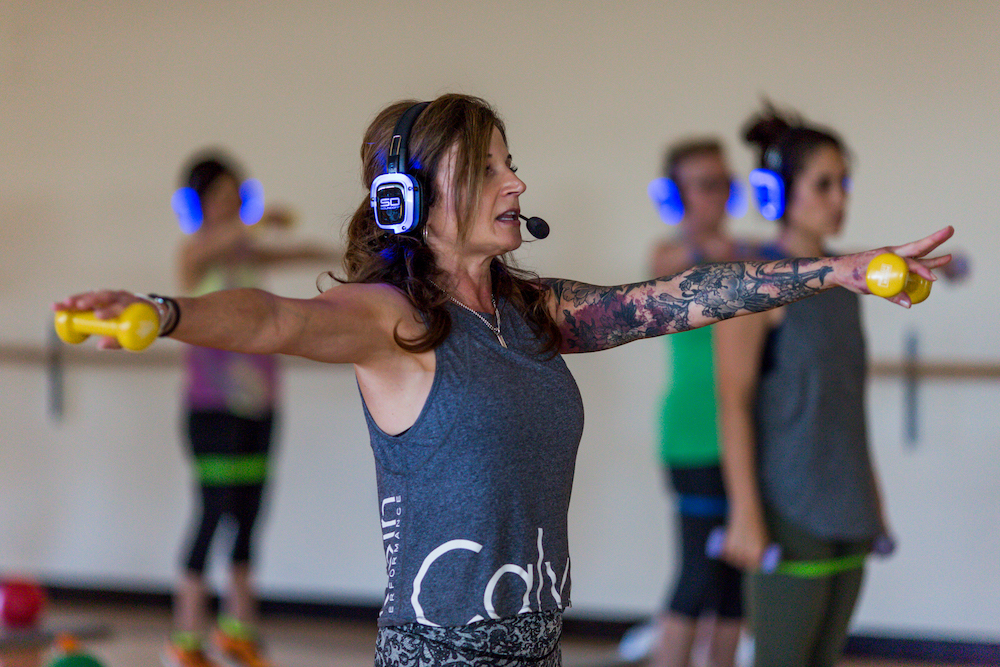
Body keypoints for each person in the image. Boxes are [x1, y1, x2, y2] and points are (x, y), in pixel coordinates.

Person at [53, 94, 953, 667]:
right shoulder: (392, 320)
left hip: (539, 645)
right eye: (487, 168)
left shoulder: (533, 311)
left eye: (510, 161)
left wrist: (830, 271)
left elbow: (674, 300)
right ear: (411, 201)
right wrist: (165, 311)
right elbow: (274, 319)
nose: (516, 181)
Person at [714, 104, 897, 666]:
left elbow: (847, 402)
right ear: (778, 194)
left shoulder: (850, 281)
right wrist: (745, 512)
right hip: (788, 507)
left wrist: (874, 496)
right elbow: (733, 402)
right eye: (823, 184)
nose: (839, 199)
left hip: (850, 504)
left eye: (844, 183)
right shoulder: (754, 282)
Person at [166, 151, 337, 667]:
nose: (230, 202)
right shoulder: (195, 254)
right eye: (220, 194)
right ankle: (185, 639)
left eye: (235, 193)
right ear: (201, 201)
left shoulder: (247, 255)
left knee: (249, 516)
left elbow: (298, 252)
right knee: (212, 512)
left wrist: (351, 251)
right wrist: (257, 220)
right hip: (212, 409)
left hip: (260, 405)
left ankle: (238, 631)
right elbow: (219, 242)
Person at [646, 139, 767, 667]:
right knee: (696, 580)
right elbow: (684, 261)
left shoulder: (749, 252)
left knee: (735, 587)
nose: (718, 194)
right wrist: (743, 252)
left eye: (724, 183)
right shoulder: (668, 256)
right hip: (695, 436)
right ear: (677, 196)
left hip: (743, 436)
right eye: (705, 184)